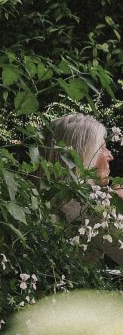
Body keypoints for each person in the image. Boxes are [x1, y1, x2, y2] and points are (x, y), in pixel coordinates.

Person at [47, 111, 123, 267]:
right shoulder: (86, 204)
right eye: (102, 148)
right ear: (82, 154)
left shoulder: (48, 198)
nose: (110, 156)